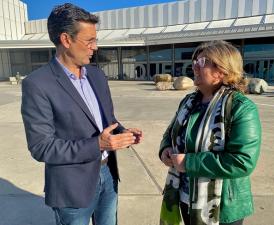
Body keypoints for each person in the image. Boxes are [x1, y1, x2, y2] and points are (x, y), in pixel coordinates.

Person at [21, 3, 143, 225]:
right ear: (66, 40)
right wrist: (98, 144)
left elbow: (107, 120)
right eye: (89, 41)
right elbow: (41, 147)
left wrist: (123, 133)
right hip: (72, 187)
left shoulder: (96, 75)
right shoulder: (37, 84)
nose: (95, 47)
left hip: (108, 174)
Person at [159, 40, 261, 225]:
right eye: (194, 62)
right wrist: (165, 148)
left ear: (222, 70)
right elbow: (170, 132)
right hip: (184, 197)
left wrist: (189, 163)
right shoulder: (189, 101)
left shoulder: (241, 108)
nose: (194, 67)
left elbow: (242, 161)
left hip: (222, 207)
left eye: (202, 62)